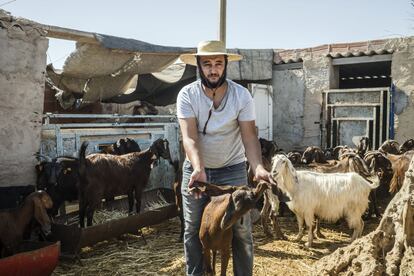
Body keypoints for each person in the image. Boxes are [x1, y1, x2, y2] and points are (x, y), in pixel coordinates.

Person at [177, 40, 274, 276]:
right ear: (198, 66)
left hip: (232, 169)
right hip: (198, 171)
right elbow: (189, 138)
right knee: (192, 228)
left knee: (241, 231)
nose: (213, 69)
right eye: (207, 63)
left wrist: (258, 167)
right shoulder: (187, 95)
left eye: (218, 63)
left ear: (226, 65)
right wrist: (199, 168)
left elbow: (249, 137)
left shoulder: (241, 96)